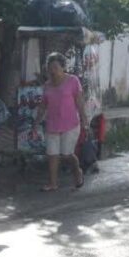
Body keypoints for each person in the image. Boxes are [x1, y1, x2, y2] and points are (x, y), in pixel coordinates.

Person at [35, 52, 89, 192]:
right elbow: (43, 106)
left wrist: (85, 120)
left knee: (66, 154)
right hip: (52, 124)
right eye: (50, 68)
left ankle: (77, 172)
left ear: (63, 68)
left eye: (55, 67)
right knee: (52, 154)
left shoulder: (73, 81)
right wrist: (36, 124)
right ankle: (53, 183)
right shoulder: (47, 85)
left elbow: (80, 102)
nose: (52, 71)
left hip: (70, 124)